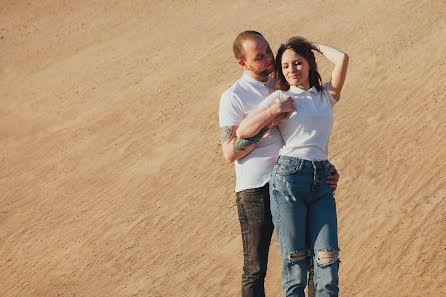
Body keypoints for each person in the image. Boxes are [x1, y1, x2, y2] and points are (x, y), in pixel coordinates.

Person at [219, 31, 340, 297]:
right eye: (259, 57)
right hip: (256, 188)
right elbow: (229, 153)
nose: (268, 59)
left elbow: (310, 127)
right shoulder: (234, 96)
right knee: (255, 269)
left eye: (267, 52)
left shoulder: (285, 78)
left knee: (310, 260)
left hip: (298, 183)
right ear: (244, 64)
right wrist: (270, 117)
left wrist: (324, 167)